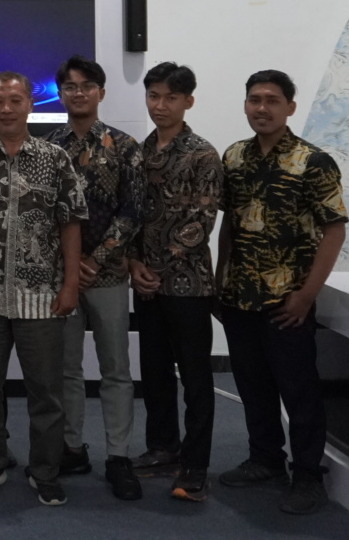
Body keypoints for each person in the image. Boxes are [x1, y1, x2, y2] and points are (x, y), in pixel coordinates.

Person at [0, 71, 86, 507]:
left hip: (41, 296)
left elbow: (70, 223)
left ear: (30, 103)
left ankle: (45, 470)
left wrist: (70, 284)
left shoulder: (55, 158)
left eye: (14, 100)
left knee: (46, 392)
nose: (6, 109)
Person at [216, 70, 348, 516]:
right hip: (240, 296)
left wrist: (307, 295)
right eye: (254, 99)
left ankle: (308, 475)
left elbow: (334, 230)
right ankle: (265, 459)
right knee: (252, 386)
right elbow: (230, 225)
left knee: (299, 391)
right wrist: (220, 278)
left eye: (272, 100)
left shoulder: (314, 162)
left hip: (287, 301)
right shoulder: (234, 157)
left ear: (290, 107)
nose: (262, 108)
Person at [45, 55, 145, 499]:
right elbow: (43, 214)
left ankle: (119, 456)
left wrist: (95, 261)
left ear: (101, 92)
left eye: (87, 86)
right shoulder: (47, 148)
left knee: (115, 369)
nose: (78, 93)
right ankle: (71, 448)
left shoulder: (125, 147)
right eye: (70, 86)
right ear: (60, 94)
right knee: (65, 369)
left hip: (107, 277)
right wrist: (71, 266)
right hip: (61, 278)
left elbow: (132, 211)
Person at [128, 62, 222, 502]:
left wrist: (156, 269)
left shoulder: (202, 154)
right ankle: (162, 448)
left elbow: (201, 223)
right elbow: (130, 215)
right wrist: (134, 264)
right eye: (153, 96)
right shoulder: (139, 151)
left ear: (188, 101)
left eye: (170, 97)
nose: (160, 105)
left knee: (196, 378)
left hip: (189, 285)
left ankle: (195, 463)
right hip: (146, 284)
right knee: (155, 373)